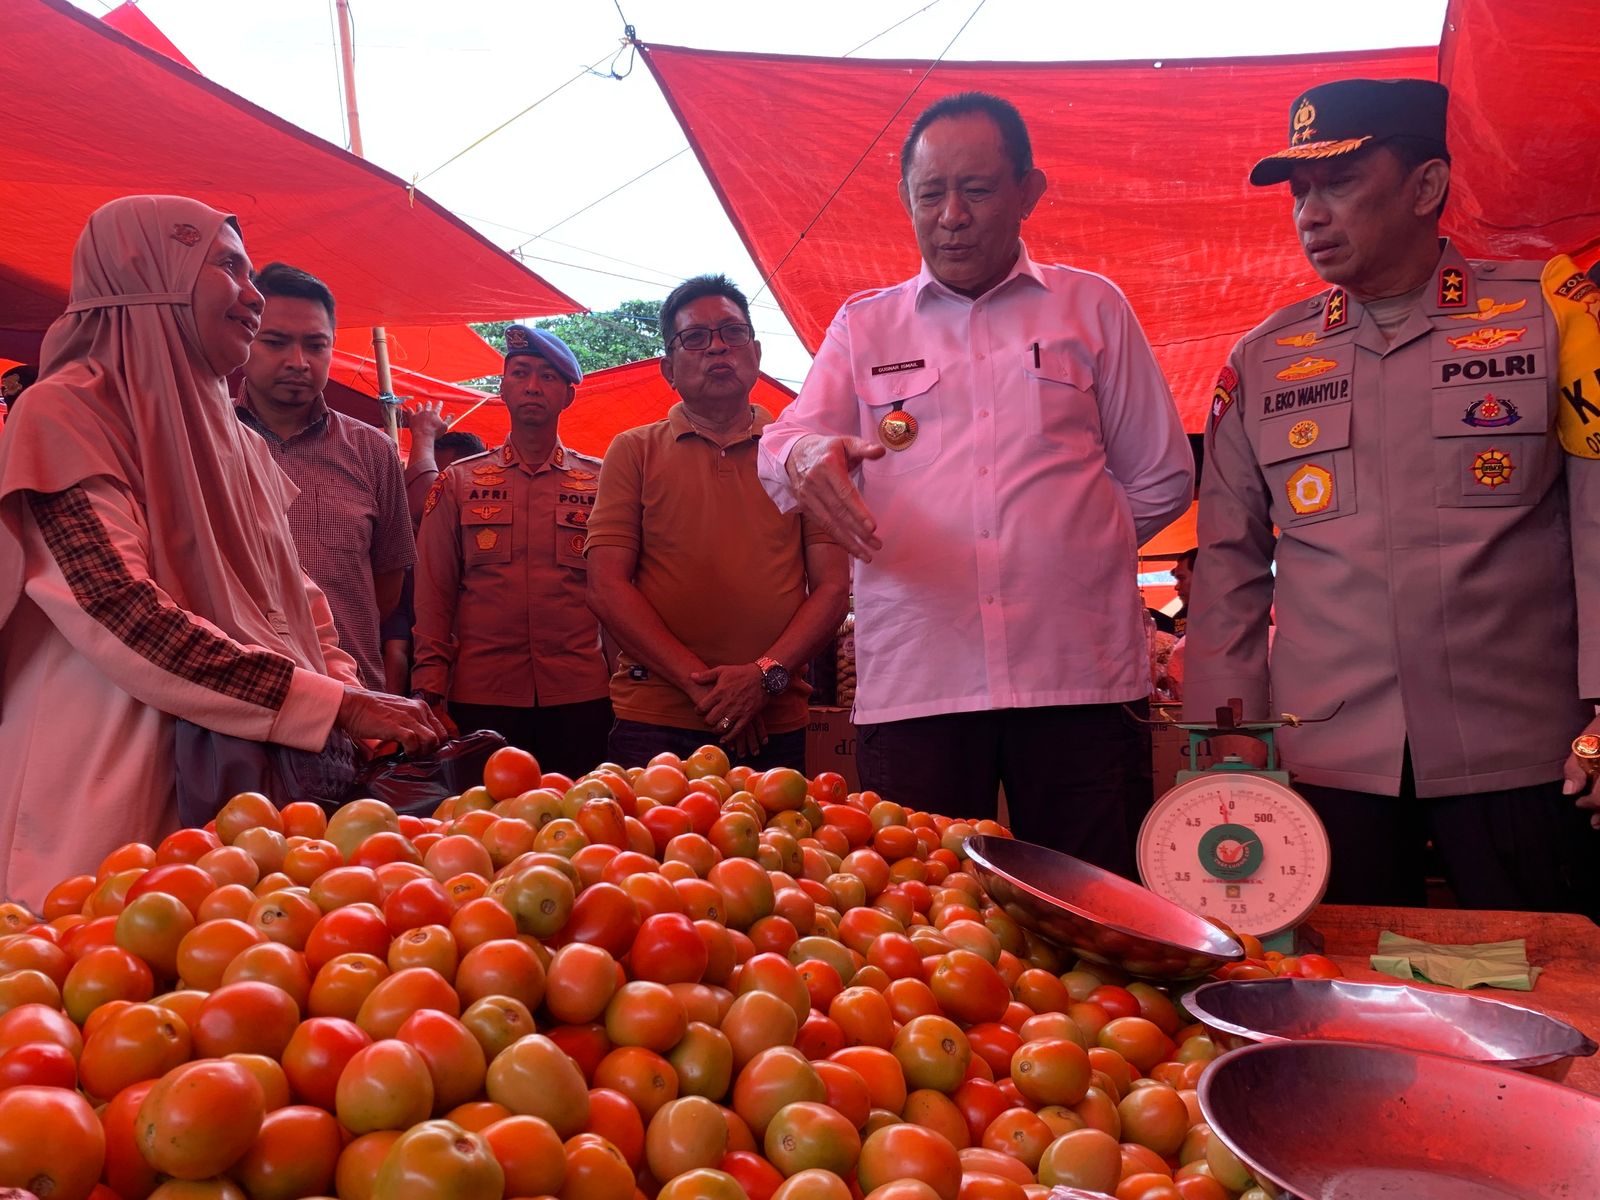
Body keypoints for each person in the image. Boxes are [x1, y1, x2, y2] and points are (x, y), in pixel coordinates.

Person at [1184, 79, 1600, 912]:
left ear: (1426, 187)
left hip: (1522, 757)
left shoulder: (1551, 315)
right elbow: (1226, 567)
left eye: (1338, 184)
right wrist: (1228, 742)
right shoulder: (1262, 360)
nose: (1311, 213)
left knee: (1549, 998)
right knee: (1338, 1007)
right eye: (1300, 193)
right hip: (1329, 768)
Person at [757, 92, 1193, 875]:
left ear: (1029, 191)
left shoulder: (1091, 308)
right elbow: (787, 439)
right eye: (931, 193)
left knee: (1091, 906)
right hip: (922, 683)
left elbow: (1160, 476)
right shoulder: (867, 327)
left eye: (979, 190)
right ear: (907, 200)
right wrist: (803, 457)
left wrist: (1067, 550)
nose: (952, 214)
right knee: (925, 914)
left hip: (1078, 679)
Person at [0, 195, 445, 909]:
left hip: (246, 789)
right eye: (229, 269)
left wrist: (347, 692)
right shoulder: (65, 411)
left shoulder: (233, 437)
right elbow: (118, 608)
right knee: (105, 983)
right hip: (111, 777)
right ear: (154, 274)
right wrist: (332, 704)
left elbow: (292, 598)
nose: (254, 296)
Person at [586, 275, 850, 770]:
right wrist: (706, 688)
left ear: (755, 353)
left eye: (731, 333)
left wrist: (762, 677)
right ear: (668, 367)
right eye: (695, 337)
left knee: (775, 850)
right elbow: (606, 586)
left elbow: (833, 587)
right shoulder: (633, 451)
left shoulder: (797, 452)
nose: (717, 348)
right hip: (656, 718)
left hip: (775, 716)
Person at [410, 326, 611, 777]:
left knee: (584, 822)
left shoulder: (602, 482)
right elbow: (434, 594)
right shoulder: (460, 481)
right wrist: (429, 690)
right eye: (520, 373)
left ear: (568, 396)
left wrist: (627, 688)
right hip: (481, 696)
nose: (533, 386)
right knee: (486, 829)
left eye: (547, 377)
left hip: (581, 695)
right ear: (503, 389)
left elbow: (618, 592)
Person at [235, 263, 414, 692]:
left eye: (316, 345)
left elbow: (387, 584)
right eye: (276, 342)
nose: (298, 362)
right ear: (244, 339)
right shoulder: (201, 435)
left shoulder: (373, 450)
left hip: (356, 702)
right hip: (242, 698)